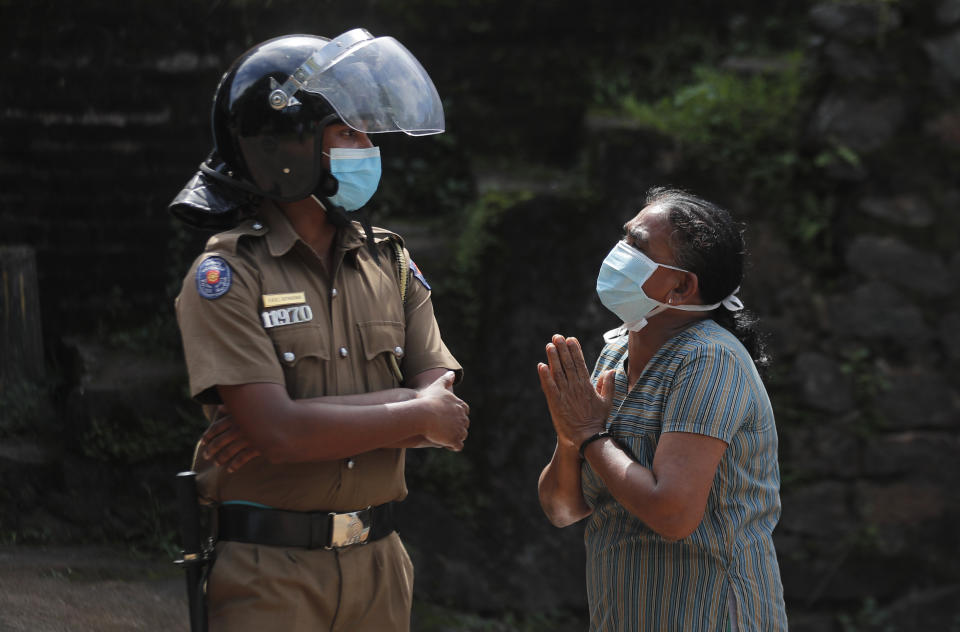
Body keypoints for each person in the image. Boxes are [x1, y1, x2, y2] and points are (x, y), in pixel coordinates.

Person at [169, 29, 469, 632]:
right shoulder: (228, 273)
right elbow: (280, 434)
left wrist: (301, 421)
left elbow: (449, 418)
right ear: (289, 147)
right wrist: (410, 409)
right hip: (268, 575)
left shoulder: (391, 262)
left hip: (381, 566)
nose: (368, 148)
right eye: (348, 133)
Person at [536, 187, 787, 631]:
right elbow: (563, 510)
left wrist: (593, 437)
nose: (618, 253)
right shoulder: (616, 353)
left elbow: (673, 514)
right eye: (624, 238)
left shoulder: (708, 359)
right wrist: (570, 436)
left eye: (637, 245)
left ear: (680, 287)